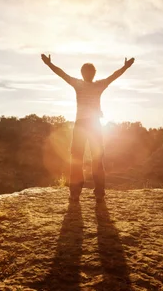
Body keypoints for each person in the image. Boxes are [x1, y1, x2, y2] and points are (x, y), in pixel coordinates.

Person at [41, 54, 135, 203]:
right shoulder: (99, 85)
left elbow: (62, 74)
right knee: (96, 160)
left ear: (82, 74)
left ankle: (75, 194)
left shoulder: (79, 84)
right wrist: (125, 67)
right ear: (93, 74)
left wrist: (49, 64)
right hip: (94, 125)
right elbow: (113, 76)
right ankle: (99, 194)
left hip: (82, 125)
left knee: (77, 158)